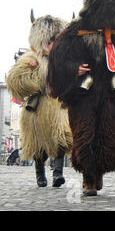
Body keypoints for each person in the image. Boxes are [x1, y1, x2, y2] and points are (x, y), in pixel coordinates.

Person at [47, 0, 115, 196]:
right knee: (85, 136)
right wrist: (73, 69)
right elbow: (57, 62)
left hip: (114, 94)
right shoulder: (74, 33)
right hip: (84, 94)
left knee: (111, 135)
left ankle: (99, 171)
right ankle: (88, 176)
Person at [6, 11, 72, 188]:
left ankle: (58, 174)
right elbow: (14, 81)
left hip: (58, 106)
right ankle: (40, 173)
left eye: (55, 40)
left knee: (61, 139)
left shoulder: (65, 59)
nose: (52, 44)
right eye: (49, 40)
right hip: (37, 108)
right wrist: (29, 71)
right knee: (38, 144)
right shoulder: (30, 58)